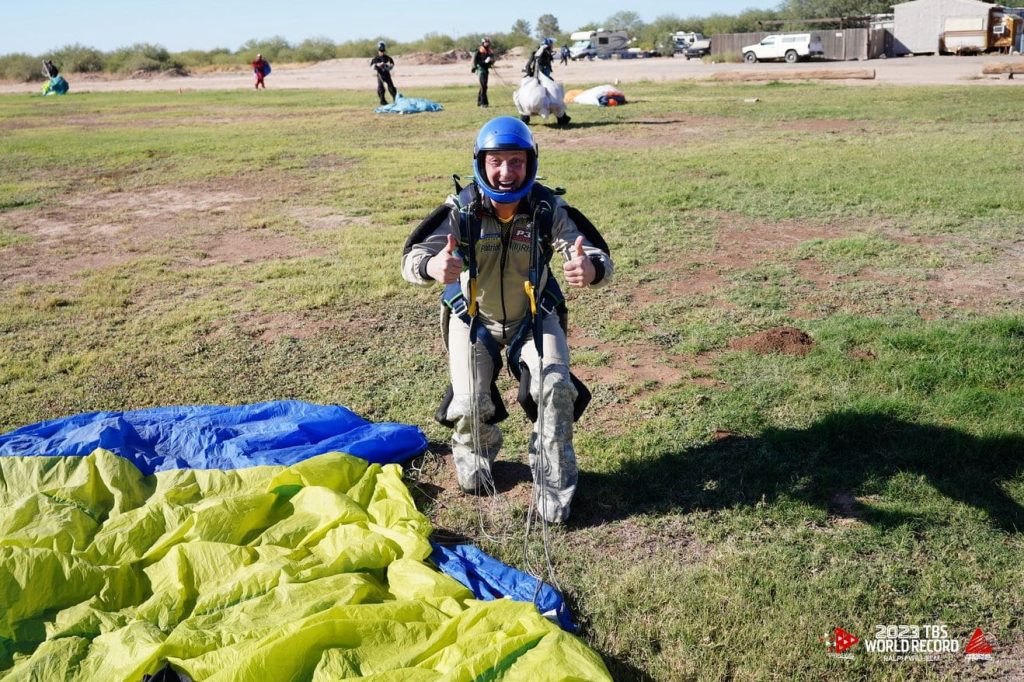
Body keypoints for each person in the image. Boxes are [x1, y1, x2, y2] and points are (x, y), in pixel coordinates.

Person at [401, 117, 614, 524]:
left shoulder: (547, 208)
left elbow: (595, 254)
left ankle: (553, 483)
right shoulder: (459, 208)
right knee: (468, 401)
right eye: (495, 161)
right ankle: (474, 456)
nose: (505, 173)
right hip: (472, 320)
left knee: (555, 386)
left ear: (530, 163)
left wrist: (590, 270)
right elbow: (410, 258)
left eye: (515, 162)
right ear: (480, 162)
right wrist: (432, 268)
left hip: (533, 320)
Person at [370, 41, 398, 105]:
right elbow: (372, 66)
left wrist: (386, 66)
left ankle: (395, 100)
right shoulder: (375, 58)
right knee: (381, 88)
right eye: (380, 50)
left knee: (391, 88)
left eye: (383, 50)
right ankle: (383, 101)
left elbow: (392, 65)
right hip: (380, 75)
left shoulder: (388, 58)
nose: (382, 52)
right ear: (378, 49)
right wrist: (378, 65)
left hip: (387, 74)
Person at [472, 37, 494, 107]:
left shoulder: (489, 51)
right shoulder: (479, 51)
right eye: (486, 42)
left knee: (483, 86)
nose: (487, 43)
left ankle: (479, 102)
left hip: (486, 69)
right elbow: (476, 60)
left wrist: (490, 62)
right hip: (480, 69)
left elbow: (491, 60)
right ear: (483, 43)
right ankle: (483, 103)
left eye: (488, 42)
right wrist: (484, 62)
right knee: (483, 86)